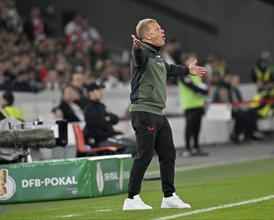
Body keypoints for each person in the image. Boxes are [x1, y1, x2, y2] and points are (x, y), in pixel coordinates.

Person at [123, 18, 207, 210]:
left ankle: (168, 196)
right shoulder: (143, 51)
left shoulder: (157, 56)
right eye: (157, 29)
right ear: (147, 36)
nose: (162, 31)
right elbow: (139, 59)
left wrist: (188, 70)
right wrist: (136, 48)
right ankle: (131, 198)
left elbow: (169, 69)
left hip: (158, 112)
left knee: (168, 154)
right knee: (144, 156)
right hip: (144, 110)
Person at [83, 82, 136, 156]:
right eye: (98, 90)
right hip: (101, 140)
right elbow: (102, 124)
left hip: (109, 136)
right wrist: (107, 119)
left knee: (133, 142)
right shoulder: (90, 109)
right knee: (132, 145)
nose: (100, 92)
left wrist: (108, 119)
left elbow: (115, 119)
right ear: (90, 93)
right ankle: (120, 165)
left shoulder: (101, 106)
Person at [177, 53, 209, 157]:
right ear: (186, 62)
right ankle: (187, 148)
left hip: (198, 104)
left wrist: (204, 90)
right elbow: (191, 86)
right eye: (191, 60)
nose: (194, 62)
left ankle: (196, 147)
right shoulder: (183, 74)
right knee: (189, 128)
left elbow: (199, 85)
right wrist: (204, 91)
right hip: (189, 105)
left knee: (197, 128)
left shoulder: (197, 74)